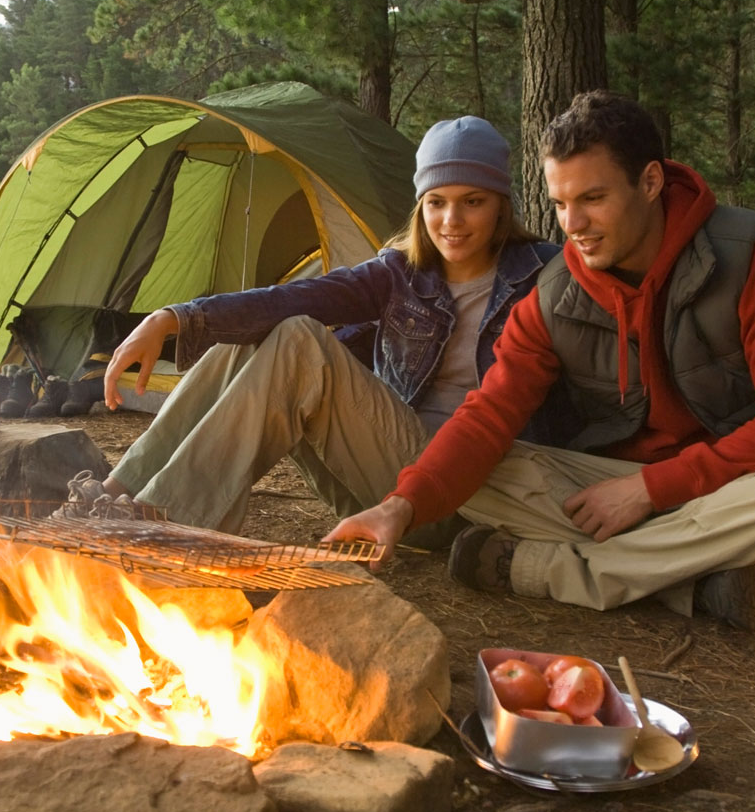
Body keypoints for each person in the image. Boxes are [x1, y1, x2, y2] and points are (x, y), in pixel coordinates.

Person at [325, 91, 755, 631]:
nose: (573, 224)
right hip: (605, 492)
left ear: (649, 182)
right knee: (476, 472)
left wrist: (653, 489)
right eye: (559, 204)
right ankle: (696, 568)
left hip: (728, 486)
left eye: (593, 198)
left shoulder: (748, 258)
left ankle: (555, 570)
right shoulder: (555, 294)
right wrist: (400, 507)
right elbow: (487, 416)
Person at [90, 116, 573, 538]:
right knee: (267, 328)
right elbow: (296, 296)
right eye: (436, 202)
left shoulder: (544, 276)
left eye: (472, 201)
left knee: (298, 339)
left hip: (466, 495)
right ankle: (114, 493)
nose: (451, 220)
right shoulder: (400, 273)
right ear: (421, 206)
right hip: (378, 482)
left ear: (501, 204)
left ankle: (162, 524)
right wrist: (174, 317)